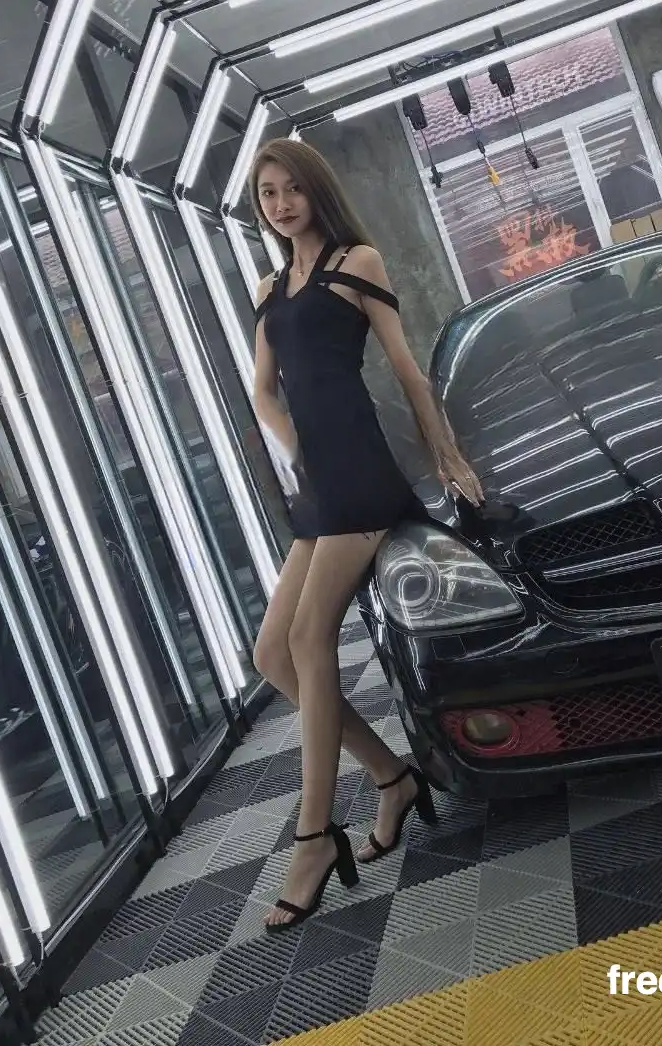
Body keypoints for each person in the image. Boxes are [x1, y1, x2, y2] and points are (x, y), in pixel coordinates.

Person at [249, 138, 483, 933]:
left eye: (292, 189)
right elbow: (262, 391)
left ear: (315, 191)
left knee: (309, 639)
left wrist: (447, 454)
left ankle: (314, 836)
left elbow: (406, 369)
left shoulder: (359, 262)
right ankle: (393, 777)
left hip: (361, 470)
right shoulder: (268, 289)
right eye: (268, 193)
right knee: (271, 655)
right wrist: (296, 452)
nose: (281, 204)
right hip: (321, 480)